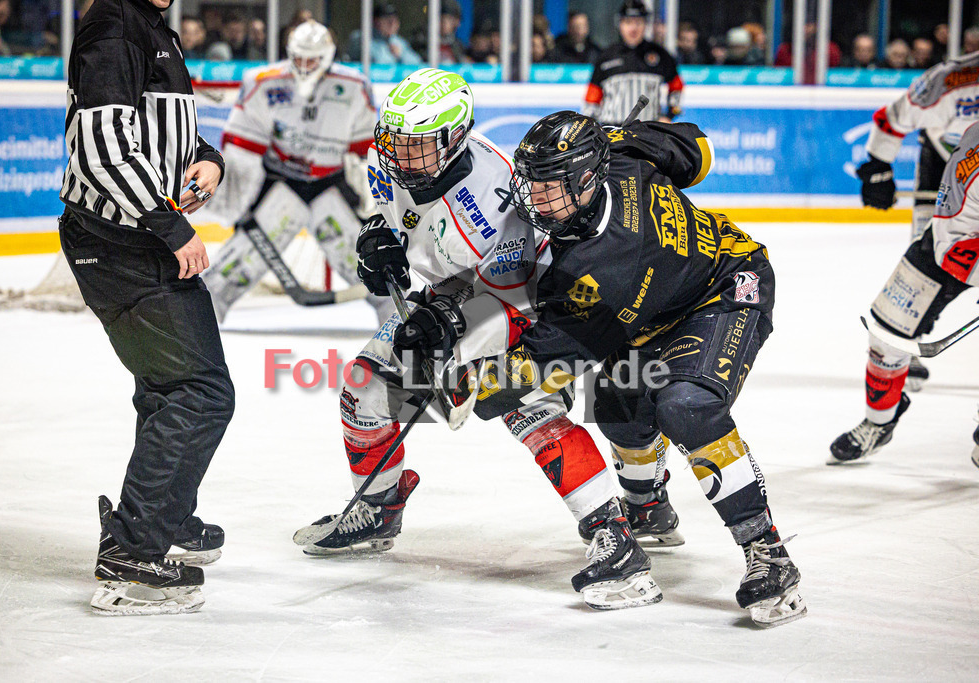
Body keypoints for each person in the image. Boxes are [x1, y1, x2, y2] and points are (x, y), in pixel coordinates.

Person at [292, 69, 671, 611]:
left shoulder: (497, 205)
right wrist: (381, 238)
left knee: (524, 407)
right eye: (395, 141)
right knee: (363, 390)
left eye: (416, 145)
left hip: (525, 304)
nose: (400, 155)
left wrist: (446, 319)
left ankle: (613, 533)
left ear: (453, 140)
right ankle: (378, 507)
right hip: (455, 293)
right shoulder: (400, 158)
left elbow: (512, 295)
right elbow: (394, 208)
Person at [467, 110, 806, 628]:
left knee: (686, 405)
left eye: (550, 188)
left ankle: (769, 553)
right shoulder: (620, 154)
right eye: (532, 184)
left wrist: (474, 383)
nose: (536, 200)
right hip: (651, 310)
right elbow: (700, 151)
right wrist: (632, 136)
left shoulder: (599, 265)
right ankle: (648, 508)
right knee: (618, 405)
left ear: (586, 178)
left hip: (724, 290)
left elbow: (541, 363)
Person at [60, 0, 234, 615]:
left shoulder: (151, 27)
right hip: (125, 246)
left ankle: (163, 518)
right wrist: (172, 226)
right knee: (198, 391)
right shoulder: (112, 26)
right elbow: (101, 150)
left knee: (169, 388)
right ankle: (134, 555)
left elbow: (159, 132)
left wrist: (208, 158)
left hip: (126, 243)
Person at [201, 20, 391, 324]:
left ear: (328, 56)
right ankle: (202, 318)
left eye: (312, 59)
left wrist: (370, 197)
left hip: (331, 184)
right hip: (281, 182)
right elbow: (242, 148)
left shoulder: (355, 86)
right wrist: (238, 200)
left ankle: (396, 317)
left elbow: (366, 151)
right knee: (243, 258)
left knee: (364, 256)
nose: (304, 65)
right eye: (298, 58)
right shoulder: (263, 81)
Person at [831, 120, 979, 466]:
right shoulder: (960, 97)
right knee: (886, 333)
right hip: (941, 243)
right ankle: (879, 423)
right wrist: (880, 168)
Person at [852, 50, 979, 391]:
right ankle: (906, 335)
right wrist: (878, 169)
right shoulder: (949, 82)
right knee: (930, 253)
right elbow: (890, 119)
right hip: (945, 169)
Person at [584, 0, 683, 125]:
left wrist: (669, 115)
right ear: (620, 24)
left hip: (647, 131)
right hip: (612, 131)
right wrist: (591, 126)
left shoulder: (660, 55)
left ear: (645, 24)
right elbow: (592, 99)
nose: (633, 28)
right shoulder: (605, 57)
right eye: (628, 22)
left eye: (638, 22)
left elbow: (677, 87)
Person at [346, 1, 423, 65]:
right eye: (387, 20)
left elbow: (417, 63)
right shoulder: (361, 37)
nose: (392, 24)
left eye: (394, 20)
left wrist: (401, 55)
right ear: (376, 22)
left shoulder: (397, 41)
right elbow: (378, 61)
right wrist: (392, 54)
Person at [774, 22, 841, 84]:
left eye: (809, 25)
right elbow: (779, 76)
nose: (805, 29)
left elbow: (836, 76)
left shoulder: (830, 49)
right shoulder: (785, 50)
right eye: (803, 25)